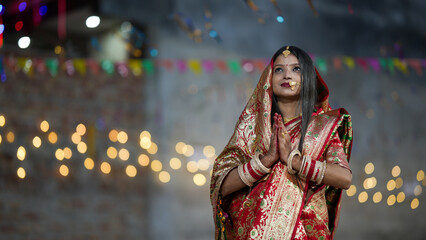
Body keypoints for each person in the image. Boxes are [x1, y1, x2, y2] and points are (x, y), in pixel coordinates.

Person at [210, 46, 353, 240]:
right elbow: (222, 186)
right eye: (279, 69)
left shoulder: (322, 127)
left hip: (302, 233)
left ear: (308, 78)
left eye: (296, 69)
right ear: (268, 79)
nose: (287, 75)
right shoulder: (253, 129)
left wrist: (293, 161)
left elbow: (344, 178)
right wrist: (265, 161)